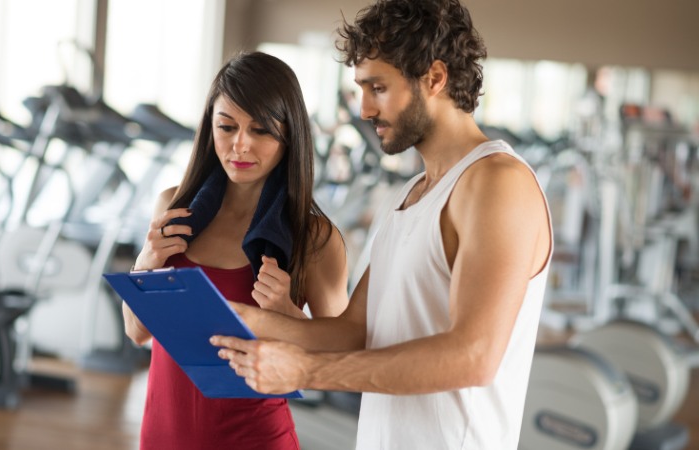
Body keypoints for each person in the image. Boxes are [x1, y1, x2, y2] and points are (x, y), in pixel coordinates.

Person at [211, 1, 553, 448]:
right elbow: (356, 330)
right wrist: (245, 320)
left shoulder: (497, 183)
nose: (365, 109)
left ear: (434, 78)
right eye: (361, 88)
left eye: (378, 87)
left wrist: (305, 372)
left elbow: (474, 356)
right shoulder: (410, 195)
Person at [123, 51, 349, 450]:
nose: (240, 145)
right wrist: (147, 261)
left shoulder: (315, 237)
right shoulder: (173, 208)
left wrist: (289, 316)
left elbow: (342, 357)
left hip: (256, 438)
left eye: (260, 130)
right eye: (226, 127)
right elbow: (136, 332)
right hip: (162, 435)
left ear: (288, 135)